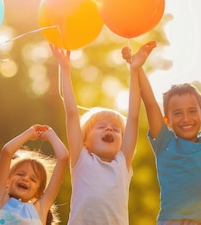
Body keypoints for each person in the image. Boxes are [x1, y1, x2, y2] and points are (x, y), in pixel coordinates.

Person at [123, 37, 201, 225]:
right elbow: (150, 104)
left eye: (192, 111)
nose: (186, 119)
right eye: (178, 113)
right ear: (167, 120)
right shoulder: (165, 143)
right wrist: (137, 67)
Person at [49, 41, 155, 224]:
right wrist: (65, 69)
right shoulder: (81, 158)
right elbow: (72, 113)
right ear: (84, 141)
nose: (109, 129)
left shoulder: (122, 162)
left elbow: (134, 117)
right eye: (101, 126)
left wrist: (134, 70)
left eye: (115, 129)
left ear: (123, 142)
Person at [0, 124, 69, 225]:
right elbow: (7, 151)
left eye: (33, 179)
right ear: (7, 181)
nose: (25, 179)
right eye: (20, 174)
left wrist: (51, 134)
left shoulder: (39, 210)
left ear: (38, 192)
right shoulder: (0, 200)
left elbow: (63, 158)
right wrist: (29, 133)